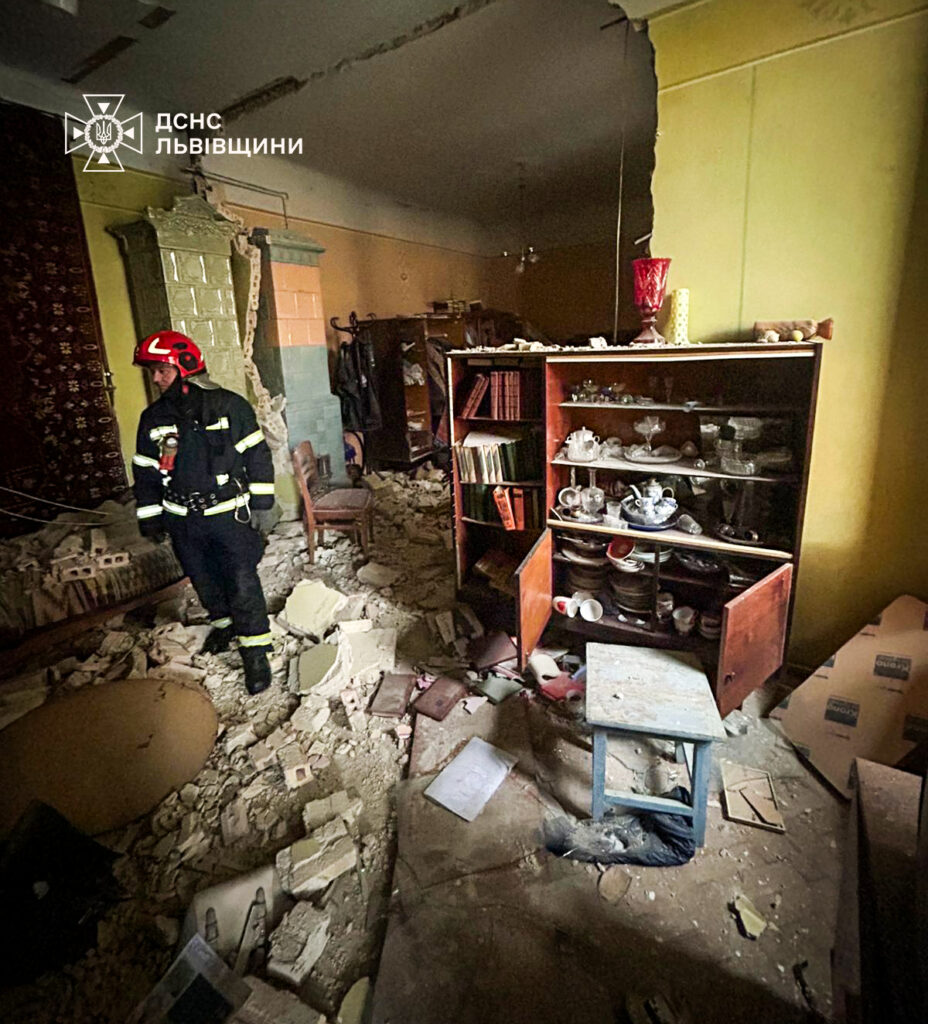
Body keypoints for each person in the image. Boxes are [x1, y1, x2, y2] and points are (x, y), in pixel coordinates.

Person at [131, 331, 276, 694]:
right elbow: (146, 471)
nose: (156, 378)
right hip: (183, 519)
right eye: (153, 371)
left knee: (241, 581)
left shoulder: (230, 407)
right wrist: (150, 517)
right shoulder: (154, 418)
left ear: (184, 367)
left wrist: (262, 504)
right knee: (203, 578)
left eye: (162, 370)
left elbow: (258, 456)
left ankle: (255, 651)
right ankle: (224, 626)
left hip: (228, 516)